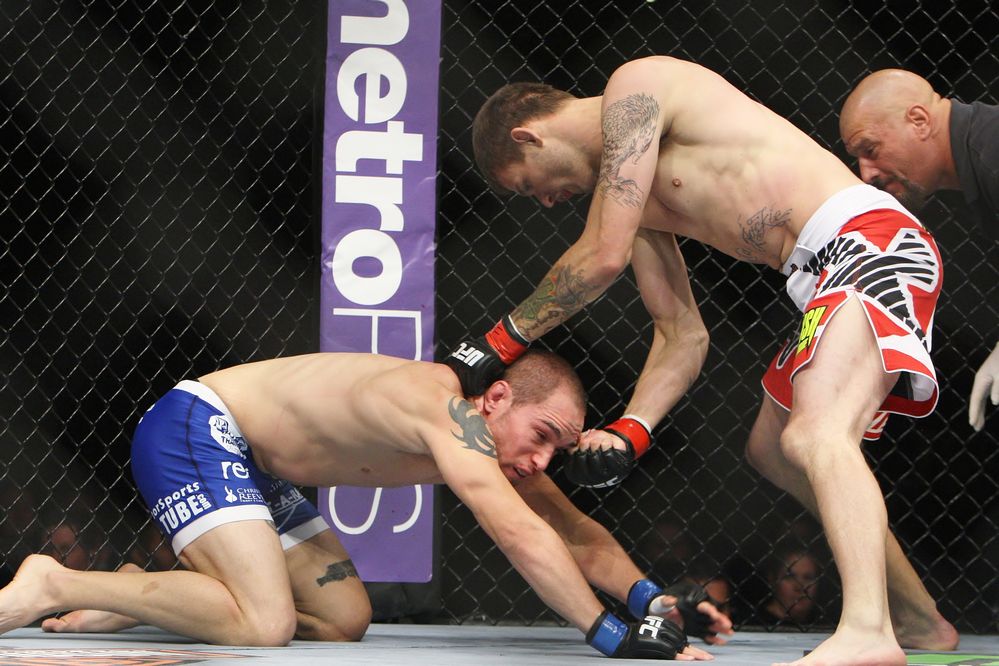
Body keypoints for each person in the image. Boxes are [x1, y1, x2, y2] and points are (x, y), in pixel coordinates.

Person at [446, 56, 959, 665]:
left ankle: (869, 630)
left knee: (819, 434)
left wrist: (497, 343)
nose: (546, 202)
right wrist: (632, 429)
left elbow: (602, 257)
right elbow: (682, 334)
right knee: (773, 450)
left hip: (868, 243)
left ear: (528, 136)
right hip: (822, 277)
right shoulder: (632, 201)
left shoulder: (637, 86)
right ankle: (918, 619)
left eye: (527, 186)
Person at [0, 351, 730, 660]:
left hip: (253, 466)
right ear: (498, 397)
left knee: (344, 619)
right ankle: (54, 583)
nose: (542, 462)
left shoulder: (499, 443)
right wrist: (611, 636)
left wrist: (651, 599)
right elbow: (516, 533)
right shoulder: (451, 419)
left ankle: (143, 593)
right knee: (265, 625)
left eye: (558, 451)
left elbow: (570, 530)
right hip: (199, 424)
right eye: (542, 436)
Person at [839, 68, 999, 433]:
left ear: (919, 121)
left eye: (870, 150)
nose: (866, 173)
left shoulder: (991, 147)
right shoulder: (982, 149)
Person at [749, 544, 823, 629]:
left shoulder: (823, 626)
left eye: (808, 578)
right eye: (790, 577)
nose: (800, 587)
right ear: (772, 580)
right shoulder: (754, 625)